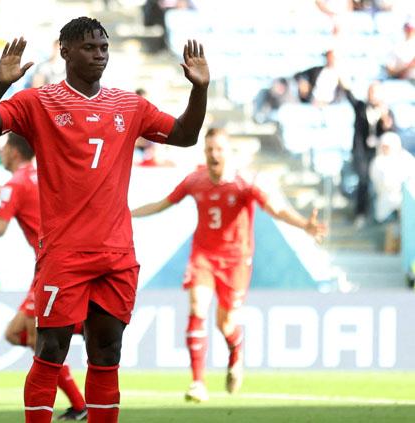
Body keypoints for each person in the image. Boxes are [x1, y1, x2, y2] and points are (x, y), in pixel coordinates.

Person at [0, 17, 209, 422]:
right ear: (65, 51)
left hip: (116, 254)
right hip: (65, 253)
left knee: (107, 352)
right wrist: (1, 84)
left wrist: (200, 90)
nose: (100, 55)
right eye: (90, 48)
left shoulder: (129, 106)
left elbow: (184, 135)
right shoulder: (38, 101)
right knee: (50, 349)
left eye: (104, 48)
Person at [131, 127, 328, 403]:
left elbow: (276, 209)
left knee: (226, 324)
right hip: (203, 256)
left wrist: (304, 225)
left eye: (219, 149)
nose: (213, 154)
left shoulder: (244, 184)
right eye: (209, 149)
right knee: (198, 307)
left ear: (228, 153)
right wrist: (126, 213)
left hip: (236, 261)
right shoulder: (195, 180)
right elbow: (163, 204)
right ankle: (197, 382)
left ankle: (236, 351)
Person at [0, 133, 88, 421]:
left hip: (52, 265)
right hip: (54, 262)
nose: (2, 153)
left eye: (4, 148)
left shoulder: (15, 183)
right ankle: (79, 330)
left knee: (38, 336)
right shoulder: (40, 174)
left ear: (14, 151)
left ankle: (80, 403)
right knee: (15, 333)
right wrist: (5, 192)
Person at [340, 79, 395, 227]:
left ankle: (380, 215)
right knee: (363, 180)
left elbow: (391, 135)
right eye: (370, 92)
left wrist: (385, 120)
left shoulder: (387, 111)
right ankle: (361, 214)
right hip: (361, 153)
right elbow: (349, 95)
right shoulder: (361, 107)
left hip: (379, 154)